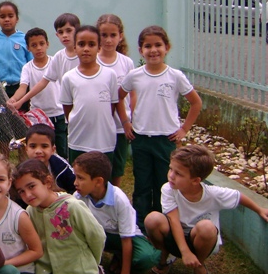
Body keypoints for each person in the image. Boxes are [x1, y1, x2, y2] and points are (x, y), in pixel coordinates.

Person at [145, 145, 268, 274]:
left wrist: (259, 209)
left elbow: (238, 196)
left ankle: (199, 264)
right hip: (175, 235)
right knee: (152, 219)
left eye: (178, 173)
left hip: (201, 240)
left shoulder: (213, 194)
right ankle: (164, 256)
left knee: (207, 227)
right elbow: (173, 221)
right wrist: (184, 252)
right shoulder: (169, 189)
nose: (171, 175)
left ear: (196, 180)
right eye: (171, 169)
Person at [119, 25, 202, 232]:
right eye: (148, 46)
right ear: (141, 50)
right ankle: (140, 226)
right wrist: (126, 123)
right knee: (142, 184)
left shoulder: (175, 76)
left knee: (164, 184)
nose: (153, 50)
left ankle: (164, 226)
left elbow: (196, 103)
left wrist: (184, 129)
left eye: (158, 45)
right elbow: (118, 98)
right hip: (141, 139)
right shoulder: (135, 75)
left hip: (167, 140)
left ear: (167, 47)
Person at [12, 159, 109, 274]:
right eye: (21, 191)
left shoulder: (72, 206)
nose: (27, 195)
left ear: (48, 182)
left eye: (31, 186)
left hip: (79, 269)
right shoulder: (30, 212)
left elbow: (97, 236)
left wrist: (93, 262)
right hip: (49, 270)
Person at [73, 152, 161, 274]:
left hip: (125, 237)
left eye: (80, 178)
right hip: (99, 236)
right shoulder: (78, 196)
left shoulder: (119, 199)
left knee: (147, 258)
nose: (75, 183)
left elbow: (126, 239)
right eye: (76, 177)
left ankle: (123, 259)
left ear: (98, 181)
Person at [8, 13, 81, 160]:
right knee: (42, 153)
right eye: (34, 45)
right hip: (39, 117)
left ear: (47, 44)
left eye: (41, 44)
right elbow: (24, 87)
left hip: (60, 114)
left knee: (62, 151)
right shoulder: (28, 68)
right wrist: (16, 100)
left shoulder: (56, 60)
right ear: (28, 48)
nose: (39, 48)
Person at [60, 25, 120, 163]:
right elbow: (68, 109)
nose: (86, 48)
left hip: (104, 139)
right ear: (75, 48)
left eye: (91, 44)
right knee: (79, 179)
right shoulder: (69, 78)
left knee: (102, 180)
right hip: (78, 139)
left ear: (99, 48)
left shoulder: (110, 75)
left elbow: (112, 106)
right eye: (81, 44)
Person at [0, 1, 32, 156]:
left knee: (23, 126)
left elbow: (32, 66)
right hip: (1, 90)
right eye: (2, 16)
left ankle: (23, 161)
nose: (7, 19)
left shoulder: (25, 39)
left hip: (22, 89)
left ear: (17, 18)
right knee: (3, 127)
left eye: (10, 16)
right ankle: (3, 160)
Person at [96, 14, 135, 188]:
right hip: (99, 123)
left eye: (113, 35)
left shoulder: (126, 63)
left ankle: (115, 196)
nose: (108, 40)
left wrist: (130, 119)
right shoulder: (92, 60)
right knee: (99, 165)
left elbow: (133, 93)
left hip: (120, 124)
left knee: (117, 166)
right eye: (104, 35)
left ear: (120, 36)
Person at [23, 123, 76, 194]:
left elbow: (74, 188)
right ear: (26, 149)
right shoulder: (22, 171)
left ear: (53, 149)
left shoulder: (61, 167)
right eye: (33, 146)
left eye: (44, 146)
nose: (38, 151)